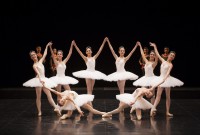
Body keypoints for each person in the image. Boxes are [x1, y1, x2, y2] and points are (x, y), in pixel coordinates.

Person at [23, 41, 61, 117]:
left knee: (49, 95)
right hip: (38, 80)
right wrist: (40, 80)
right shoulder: (34, 65)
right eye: (32, 55)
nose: (34, 56)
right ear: (31, 58)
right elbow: (38, 73)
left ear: (36, 55)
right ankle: (39, 111)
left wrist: (47, 46)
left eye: (34, 54)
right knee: (38, 97)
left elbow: (45, 54)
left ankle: (56, 108)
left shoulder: (40, 61)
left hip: (44, 79)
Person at [149, 42, 184, 117]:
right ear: (168, 55)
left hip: (167, 80)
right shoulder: (163, 61)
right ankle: (153, 108)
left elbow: (168, 73)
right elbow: (157, 54)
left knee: (168, 96)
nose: (171, 56)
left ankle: (167, 112)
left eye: (173, 56)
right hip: (161, 78)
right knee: (158, 96)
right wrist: (155, 46)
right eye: (171, 55)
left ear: (173, 58)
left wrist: (164, 79)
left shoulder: (171, 65)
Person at [42, 83, 106, 120]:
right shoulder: (69, 98)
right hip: (75, 101)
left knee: (90, 109)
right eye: (63, 102)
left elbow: (52, 91)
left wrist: (45, 86)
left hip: (78, 99)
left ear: (60, 99)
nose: (62, 101)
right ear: (64, 103)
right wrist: (79, 110)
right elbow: (75, 104)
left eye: (61, 101)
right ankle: (64, 115)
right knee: (69, 114)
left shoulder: (61, 94)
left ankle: (103, 113)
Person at [72, 37, 107, 106]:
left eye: (89, 50)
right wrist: (75, 45)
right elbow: (79, 52)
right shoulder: (86, 58)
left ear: (91, 51)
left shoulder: (94, 57)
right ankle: (90, 105)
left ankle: (88, 102)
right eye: (87, 51)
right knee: (88, 90)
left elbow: (100, 50)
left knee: (91, 90)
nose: (88, 52)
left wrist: (104, 41)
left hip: (93, 73)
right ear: (86, 52)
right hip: (88, 73)